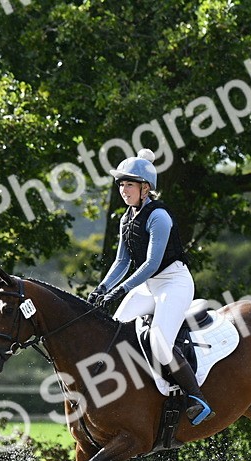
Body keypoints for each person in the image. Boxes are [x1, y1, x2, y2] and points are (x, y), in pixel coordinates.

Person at [88, 149, 213, 425]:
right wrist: (102, 288)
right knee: (115, 330)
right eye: (121, 184)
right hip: (149, 285)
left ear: (145, 188)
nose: (123, 190)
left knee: (159, 340)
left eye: (129, 184)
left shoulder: (159, 217)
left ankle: (196, 398)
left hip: (174, 283)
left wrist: (121, 290)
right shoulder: (126, 218)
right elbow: (122, 261)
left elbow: (152, 264)